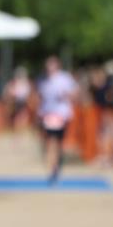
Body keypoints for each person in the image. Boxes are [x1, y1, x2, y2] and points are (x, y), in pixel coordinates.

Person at [37, 55, 77, 184]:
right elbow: (40, 97)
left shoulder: (65, 78)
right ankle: (52, 169)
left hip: (61, 115)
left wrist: (65, 95)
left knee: (58, 142)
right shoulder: (42, 80)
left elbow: (74, 93)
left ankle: (55, 166)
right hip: (48, 114)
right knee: (51, 141)